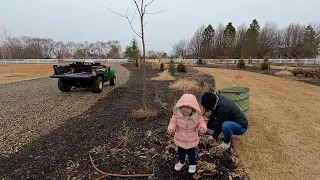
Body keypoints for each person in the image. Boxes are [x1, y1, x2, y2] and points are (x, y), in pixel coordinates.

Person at [167, 93, 207, 174]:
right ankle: (182, 162)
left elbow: (201, 122)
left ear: (193, 108)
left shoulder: (197, 116)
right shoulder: (177, 115)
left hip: (192, 139)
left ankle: (192, 164)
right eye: (184, 107)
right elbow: (173, 122)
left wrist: (202, 128)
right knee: (181, 152)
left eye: (188, 108)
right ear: (180, 107)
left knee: (191, 153)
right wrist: (171, 128)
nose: (186, 109)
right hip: (180, 138)